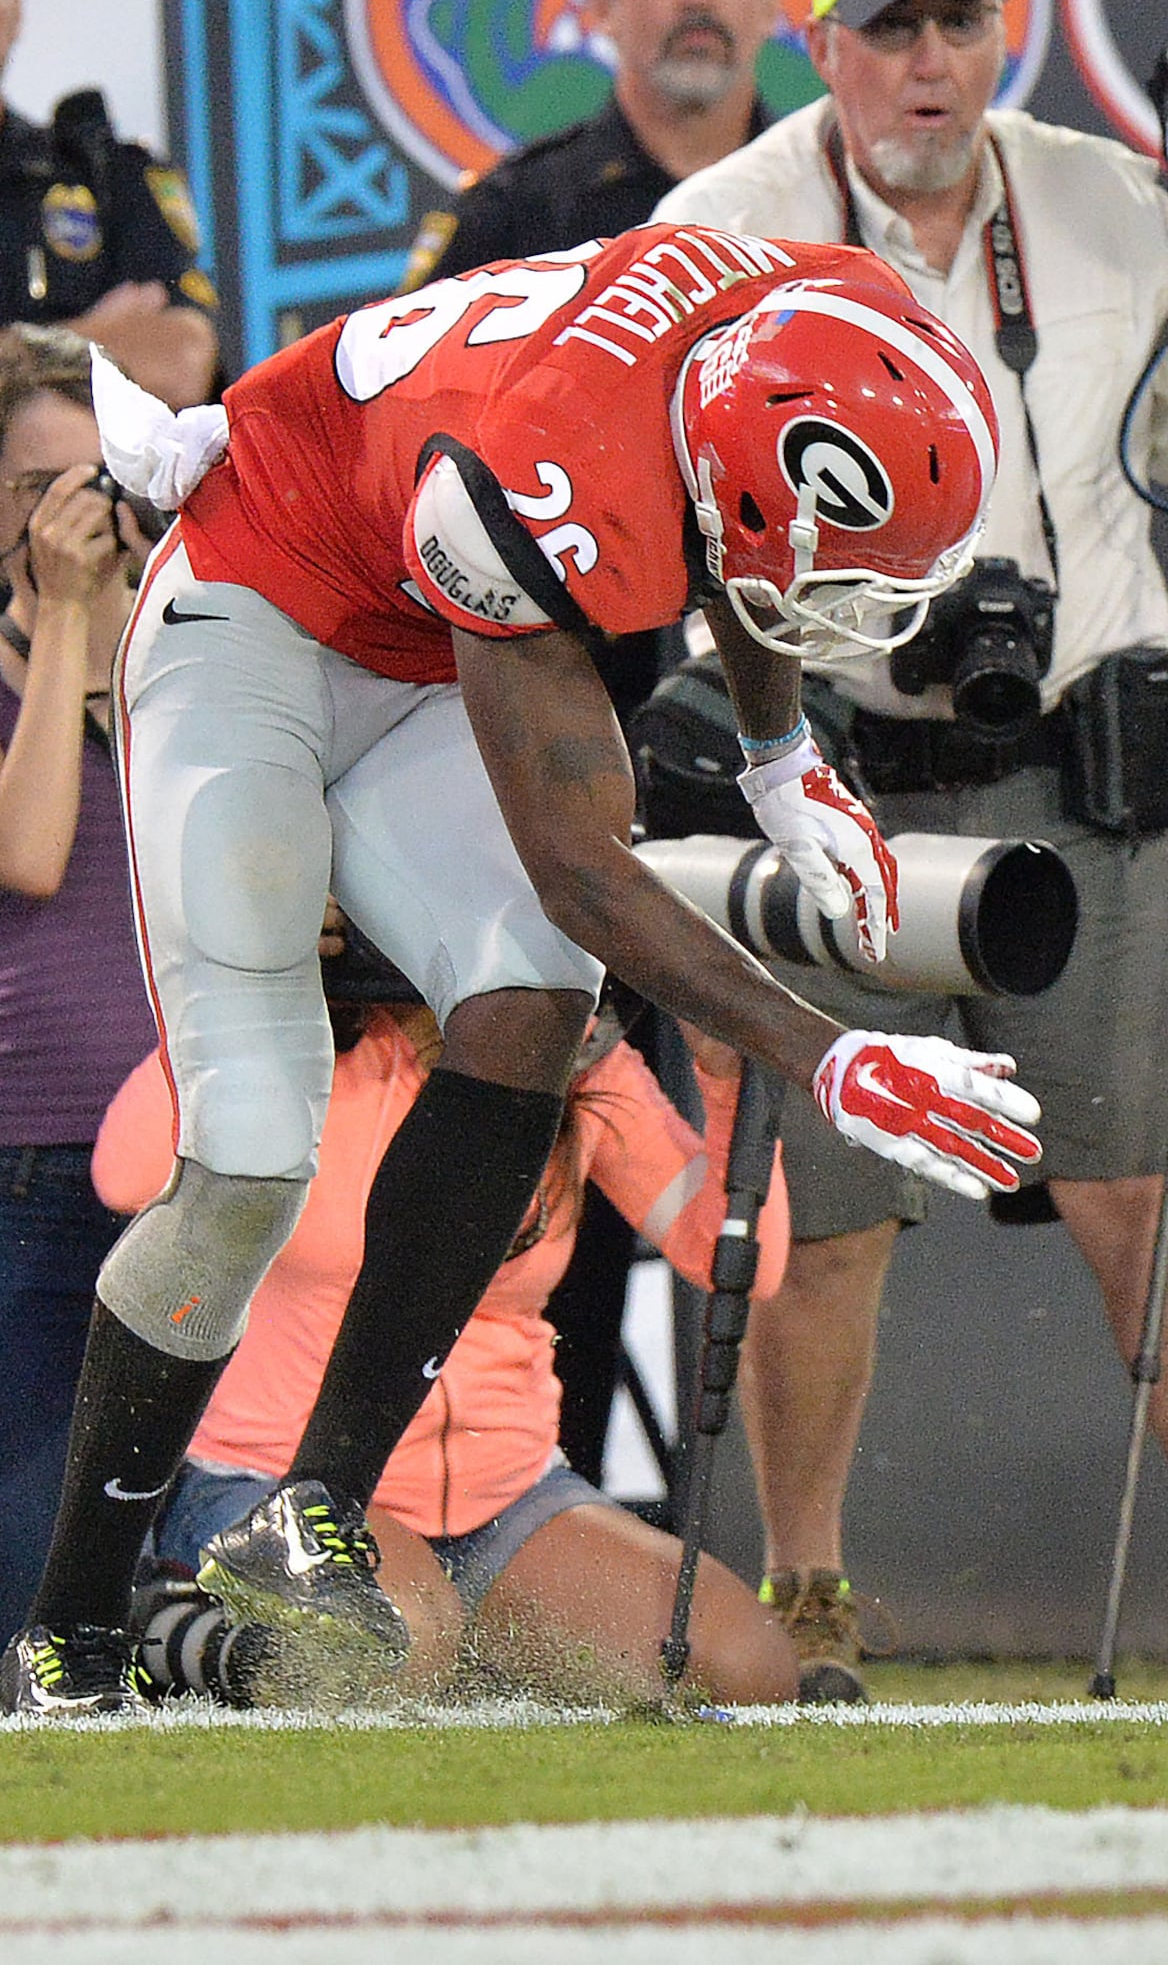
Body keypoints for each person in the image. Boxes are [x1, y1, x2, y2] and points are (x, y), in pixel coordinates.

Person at [2, 221, 1039, 1718]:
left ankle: (317, 1513)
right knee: (245, 1153)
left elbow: (737, 537)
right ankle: (71, 1626)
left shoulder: (829, 309)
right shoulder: (538, 470)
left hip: (420, 620)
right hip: (258, 603)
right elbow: (583, 865)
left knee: (535, 1008)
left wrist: (778, 749)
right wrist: (834, 1055)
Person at [657, 0, 1168, 1703]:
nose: (927, 61)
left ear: (1003, 36)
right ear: (817, 46)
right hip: (825, 772)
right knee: (825, 1214)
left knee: (1136, 1181)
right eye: (888, 27)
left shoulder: (1102, 195)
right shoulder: (716, 229)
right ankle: (808, 1590)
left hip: (1070, 756)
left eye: (957, 22)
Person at [403, 0, 784, 1496]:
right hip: (556, 768)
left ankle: (714, 1550)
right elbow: (415, 470)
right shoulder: (523, 214)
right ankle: (509, 1509)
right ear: (602, 1)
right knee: (546, 1146)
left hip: (777, 753)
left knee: (746, 1173)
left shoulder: (828, 198)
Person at [101, 987, 797, 1706]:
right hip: (272, 1482)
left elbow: (737, 1257)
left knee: (746, 1666)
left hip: (508, 1496)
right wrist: (271, 976)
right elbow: (122, 1170)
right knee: (397, 1649)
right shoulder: (310, 1031)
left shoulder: (578, 1055)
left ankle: (462, 1646)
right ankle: (172, 1625)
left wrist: (724, 1074)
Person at [0, 328, 159, 1621]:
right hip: (31, 1168)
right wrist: (60, 612)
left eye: (96, 479)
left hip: (199, 1168)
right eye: (33, 487)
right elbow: (31, 851)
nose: (73, 514)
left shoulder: (197, 652)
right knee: (26, 1563)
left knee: (174, 1542)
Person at [0, 0, 217, 406]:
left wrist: (22, 355)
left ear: (18, 1)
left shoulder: (104, 173)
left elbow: (182, 364)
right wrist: (93, 336)